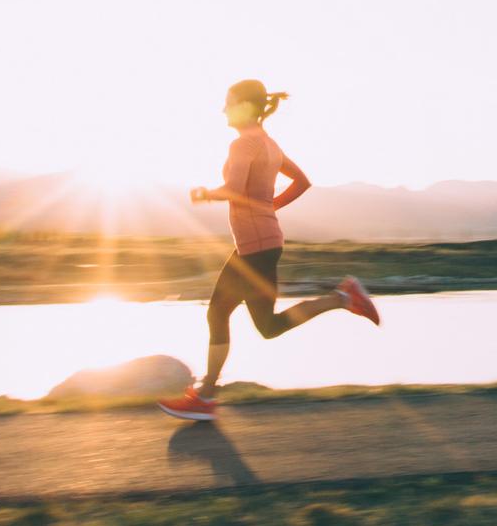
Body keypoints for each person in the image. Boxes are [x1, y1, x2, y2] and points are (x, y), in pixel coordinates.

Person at [157, 79, 379, 422]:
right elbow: (302, 182)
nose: (223, 109)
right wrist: (269, 207)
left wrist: (204, 193)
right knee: (264, 325)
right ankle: (343, 296)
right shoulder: (269, 144)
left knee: (220, 314)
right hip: (260, 242)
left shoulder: (243, 144)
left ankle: (206, 396)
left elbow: (233, 189)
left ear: (244, 106)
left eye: (228, 103)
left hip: (255, 247)